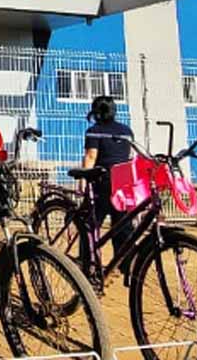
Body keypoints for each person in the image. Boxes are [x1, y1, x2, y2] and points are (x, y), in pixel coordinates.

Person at [82, 95, 133, 279]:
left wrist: (82, 182)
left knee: (90, 225)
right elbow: (128, 155)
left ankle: (89, 264)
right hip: (124, 182)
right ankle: (126, 264)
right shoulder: (126, 131)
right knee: (123, 225)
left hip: (102, 182)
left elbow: (90, 157)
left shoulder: (94, 131)